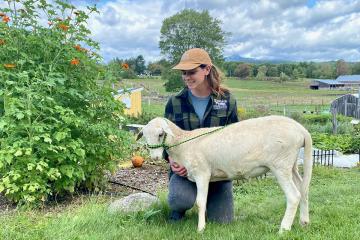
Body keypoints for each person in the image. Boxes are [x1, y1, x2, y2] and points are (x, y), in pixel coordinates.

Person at [164, 48, 239, 223]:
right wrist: (173, 162)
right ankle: (180, 209)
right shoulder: (174, 102)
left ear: (206, 69)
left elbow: (236, 137)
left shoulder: (227, 100)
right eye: (184, 73)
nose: (186, 77)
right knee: (178, 199)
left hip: (219, 171)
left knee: (223, 221)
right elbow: (165, 140)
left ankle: (209, 204)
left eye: (192, 72)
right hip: (186, 170)